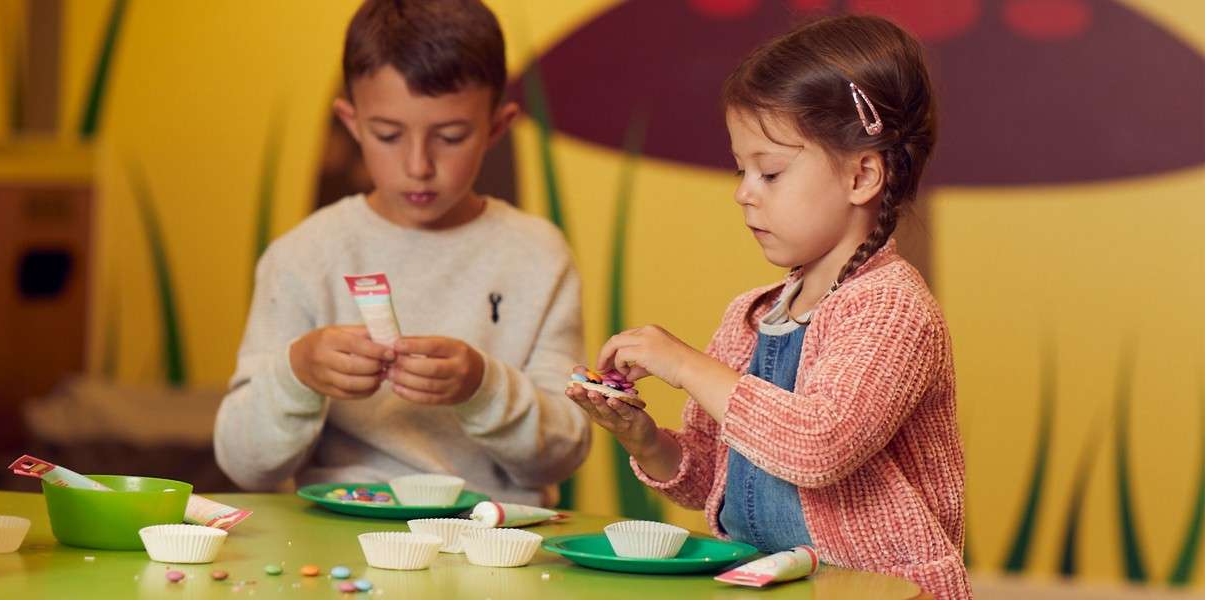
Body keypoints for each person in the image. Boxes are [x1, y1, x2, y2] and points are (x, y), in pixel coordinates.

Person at [567, 15, 969, 598]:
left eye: (770, 172)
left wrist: (683, 365)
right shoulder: (752, 317)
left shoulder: (893, 310)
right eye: (741, 169)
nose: (742, 191)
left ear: (862, 175)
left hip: (885, 590)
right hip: (772, 583)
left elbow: (820, 445)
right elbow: (714, 475)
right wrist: (646, 440)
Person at [216, 0, 590, 507]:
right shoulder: (302, 256)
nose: (418, 165)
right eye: (388, 135)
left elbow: (562, 454)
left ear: (496, 128)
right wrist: (297, 373)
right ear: (351, 123)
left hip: (491, 541)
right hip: (338, 538)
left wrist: (483, 386)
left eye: (451, 136)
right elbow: (245, 466)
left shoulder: (539, 256)